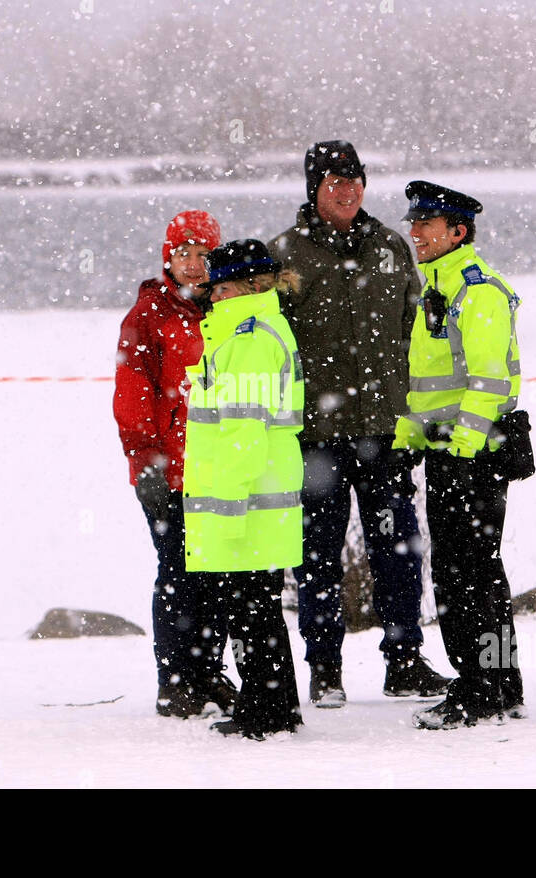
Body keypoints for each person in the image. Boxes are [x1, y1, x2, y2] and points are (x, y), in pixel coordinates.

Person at [268, 140, 449, 706]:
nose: (346, 191)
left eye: (354, 180)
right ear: (313, 189)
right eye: (333, 182)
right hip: (316, 437)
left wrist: (420, 416)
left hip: (386, 431)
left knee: (398, 549)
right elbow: (273, 347)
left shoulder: (392, 248)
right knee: (317, 554)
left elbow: (416, 336)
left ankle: (405, 662)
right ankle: (324, 669)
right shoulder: (285, 256)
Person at [391, 181, 527, 730]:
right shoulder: (440, 289)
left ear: (457, 232)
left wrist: (463, 448)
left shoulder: (477, 291)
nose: (414, 233)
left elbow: (489, 382)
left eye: (425, 224)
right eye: (414, 223)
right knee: (477, 574)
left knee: (465, 578)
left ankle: (478, 690)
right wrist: (410, 436)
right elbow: (433, 387)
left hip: (475, 454)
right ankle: (500, 686)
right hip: (454, 452)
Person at [114, 210, 236, 718]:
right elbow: (133, 395)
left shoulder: (229, 310)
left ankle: (210, 673)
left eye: (202, 254)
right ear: (168, 256)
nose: (192, 264)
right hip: (169, 471)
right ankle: (176, 679)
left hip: (221, 469)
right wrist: (146, 461)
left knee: (218, 576)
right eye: (182, 253)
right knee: (177, 574)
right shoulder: (149, 315)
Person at [182, 239, 304, 740]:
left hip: (248, 504)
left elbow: (243, 434)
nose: (213, 297)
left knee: (251, 609)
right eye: (212, 288)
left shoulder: (249, 340)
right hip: (256, 500)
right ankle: (272, 705)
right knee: (255, 608)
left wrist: (227, 511)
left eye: (223, 287)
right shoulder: (243, 332)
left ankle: (267, 712)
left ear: (253, 286)